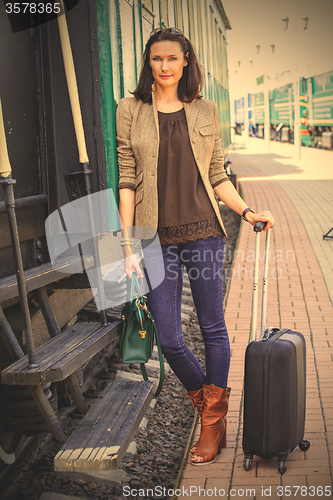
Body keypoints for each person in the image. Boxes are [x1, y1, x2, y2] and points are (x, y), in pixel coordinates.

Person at [116, 27, 275, 466]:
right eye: (156, 59)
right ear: (148, 63)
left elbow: (218, 174)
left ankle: (211, 425)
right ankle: (211, 410)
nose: (164, 66)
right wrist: (129, 242)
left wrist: (246, 212)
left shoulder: (206, 109)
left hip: (204, 229)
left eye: (172, 58)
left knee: (211, 328)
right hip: (153, 237)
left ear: (186, 60)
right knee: (168, 336)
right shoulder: (130, 109)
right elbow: (126, 177)